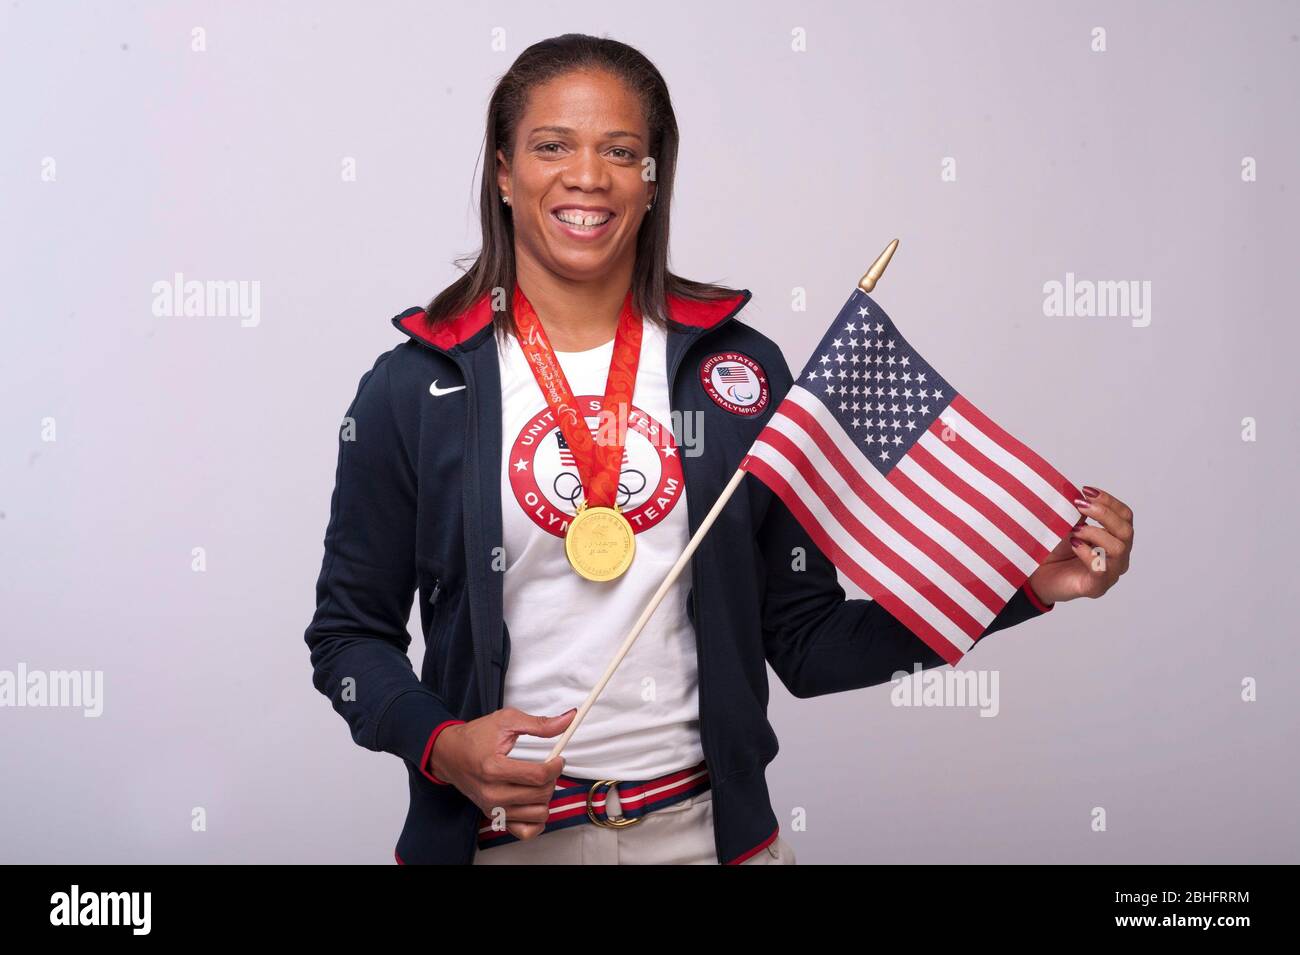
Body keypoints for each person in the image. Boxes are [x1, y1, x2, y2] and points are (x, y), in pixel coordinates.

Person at [303, 33, 1134, 866]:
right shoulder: (415, 388)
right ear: (503, 171)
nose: (588, 175)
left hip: (709, 840)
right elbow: (346, 638)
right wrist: (442, 742)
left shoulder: (739, 370)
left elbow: (805, 641)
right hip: (496, 847)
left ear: (654, 179)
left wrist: (1016, 585)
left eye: (622, 151)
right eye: (552, 145)